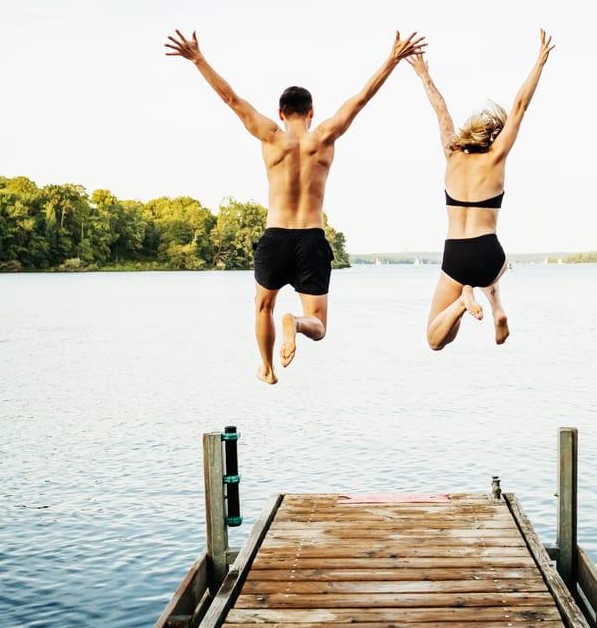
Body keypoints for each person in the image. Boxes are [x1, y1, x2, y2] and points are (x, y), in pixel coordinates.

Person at [165, 29, 426, 384]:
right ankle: (297, 323)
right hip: (311, 238)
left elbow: (230, 98)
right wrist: (392, 60)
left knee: (263, 306)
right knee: (318, 325)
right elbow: (361, 99)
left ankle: (268, 368)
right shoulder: (325, 135)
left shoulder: (271, 134)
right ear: (312, 112)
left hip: (275, 237)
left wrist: (198, 59)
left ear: (281, 112)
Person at [406, 30, 555, 351]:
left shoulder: (451, 153)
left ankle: (462, 303)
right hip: (491, 253)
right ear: (493, 137)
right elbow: (519, 106)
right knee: (500, 267)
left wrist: (423, 75)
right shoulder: (496, 157)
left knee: (436, 339)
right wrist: (539, 62)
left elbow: (441, 110)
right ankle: (497, 307)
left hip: (456, 254)